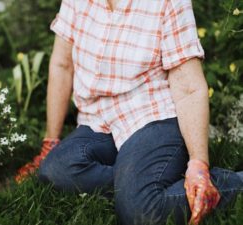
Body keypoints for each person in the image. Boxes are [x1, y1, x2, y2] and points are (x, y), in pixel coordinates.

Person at [15, 0, 243, 224]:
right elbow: (62, 65)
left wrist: (198, 164)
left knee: (141, 214)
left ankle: (233, 183)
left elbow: (189, 88)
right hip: (98, 123)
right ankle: (138, 184)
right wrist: (50, 142)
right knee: (55, 171)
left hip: (152, 117)